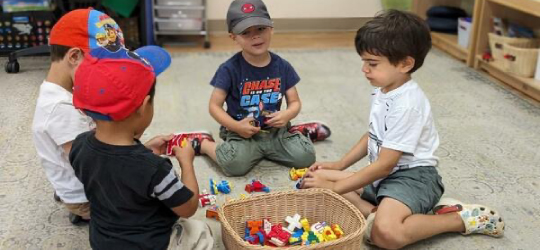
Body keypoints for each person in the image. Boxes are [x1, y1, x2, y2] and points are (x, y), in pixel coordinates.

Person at [301, 10, 505, 249]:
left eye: (372, 63)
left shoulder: (408, 105)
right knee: (313, 179)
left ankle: (455, 219)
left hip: (413, 178)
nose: (364, 69)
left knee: (387, 235)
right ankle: (381, 212)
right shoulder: (385, 88)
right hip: (384, 177)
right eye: (364, 61)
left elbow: (386, 164)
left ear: (405, 63)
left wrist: (336, 187)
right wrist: (339, 165)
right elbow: (372, 135)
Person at [69, 46, 213, 250]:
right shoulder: (155, 169)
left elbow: (112, 166)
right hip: (151, 244)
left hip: (103, 242)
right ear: (145, 106)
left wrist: (144, 149)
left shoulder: (79, 145)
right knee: (201, 231)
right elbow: (188, 208)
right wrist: (186, 162)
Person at [182, 0, 331, 176]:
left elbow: (295, 102)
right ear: (233, 37)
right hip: (242, 133)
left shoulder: (283, 66)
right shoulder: (229, 69)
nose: (255, 36)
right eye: (246, 32)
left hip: (276, 132)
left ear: (271, 28)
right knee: (234, 165)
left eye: (260, 29)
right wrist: (236, 127)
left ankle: (300, 132)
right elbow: (214, 106)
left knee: (306, 158)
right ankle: (203, 143)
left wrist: (287, 115)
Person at [31, 8, 126, 224]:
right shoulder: (61, 108)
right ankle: (82, 208)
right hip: (84, 197)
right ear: (74, 56)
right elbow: (91, 164)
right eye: (102, 67)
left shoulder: (62, 91)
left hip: (77, 179)